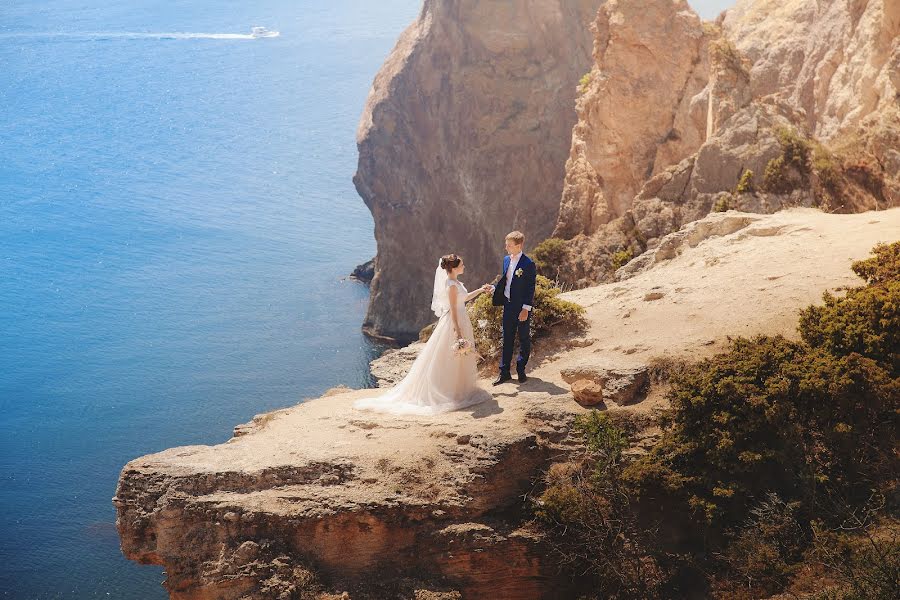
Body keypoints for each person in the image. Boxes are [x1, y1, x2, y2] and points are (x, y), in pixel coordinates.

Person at [353, 254, 493, 415]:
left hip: (462, 319)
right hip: (455, 323)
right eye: (461, 265)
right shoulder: (452, 285)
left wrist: (481, 290)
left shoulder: (456, 283)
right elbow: (454, 310)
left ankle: (457, 389)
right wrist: (458, 331)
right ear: (453, 268)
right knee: (448, 356)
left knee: (455, 357)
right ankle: (447, 390)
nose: (464, 267)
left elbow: (465, 298)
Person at [490, 231, 536, 385]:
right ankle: (504, 373)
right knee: (507, 338)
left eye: (509, 245)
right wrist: (493, 288)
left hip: (521, 307)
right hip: (508, 305)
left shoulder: (528, 264)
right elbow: (505, 281)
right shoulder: (505, 260)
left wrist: (525, 309)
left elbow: (530, 288)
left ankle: (521, 369)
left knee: (523, 338)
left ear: (519, 245)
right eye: (506, 244)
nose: (506, 247)